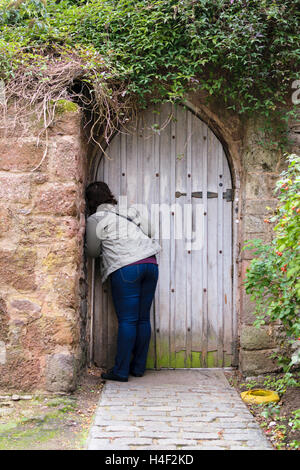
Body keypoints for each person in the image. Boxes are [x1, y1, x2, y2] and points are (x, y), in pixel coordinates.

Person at [85, 181, 161, 382]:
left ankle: (120, 371)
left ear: (90, 202)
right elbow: (151, 232)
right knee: (143, 319)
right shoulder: (127, 210)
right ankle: (138, 368)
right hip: (151, 263)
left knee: (128, 320)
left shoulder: (95, 219)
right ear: (109, 194)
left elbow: (92, 252)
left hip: (126, 267)